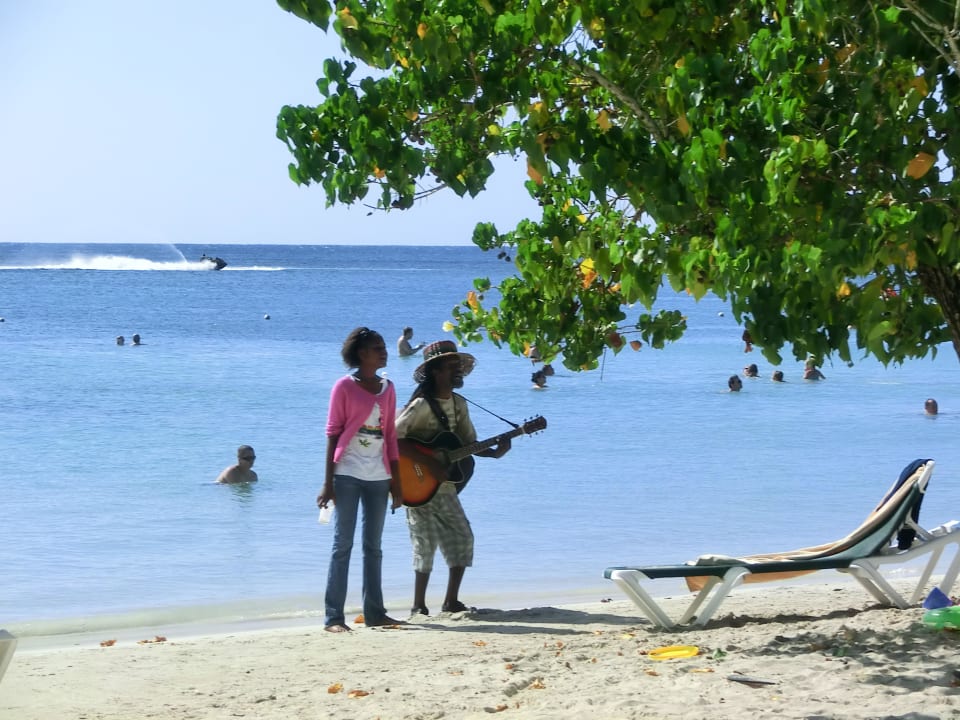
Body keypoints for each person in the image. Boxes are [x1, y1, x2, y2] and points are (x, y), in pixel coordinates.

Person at [396, 340, 511, 616]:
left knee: (460, 537)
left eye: (457, 366)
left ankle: (449, 602)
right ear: (435, 371)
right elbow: (394, 440)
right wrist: (428, 463)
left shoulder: (459, 405)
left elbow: (467, 444)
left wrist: (495, 453)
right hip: (416, 482)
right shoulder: (420, 405)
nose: (457, 371)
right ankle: (419, 605)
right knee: (425, 542)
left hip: (443, 485)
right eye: (451, 366)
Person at [318, 327, 404, 633]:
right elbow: (332, 434)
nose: (384, 352)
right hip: (347, 473)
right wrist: (327, 483)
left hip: (379, 475)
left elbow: (390, 436)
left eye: (383, 347)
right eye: (377, 348)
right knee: (342, 545)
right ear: (361, 354)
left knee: (374, 547)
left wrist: (396, 481)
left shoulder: (388, 388)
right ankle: (334, 618)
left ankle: (375, 613)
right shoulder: (343, 386)